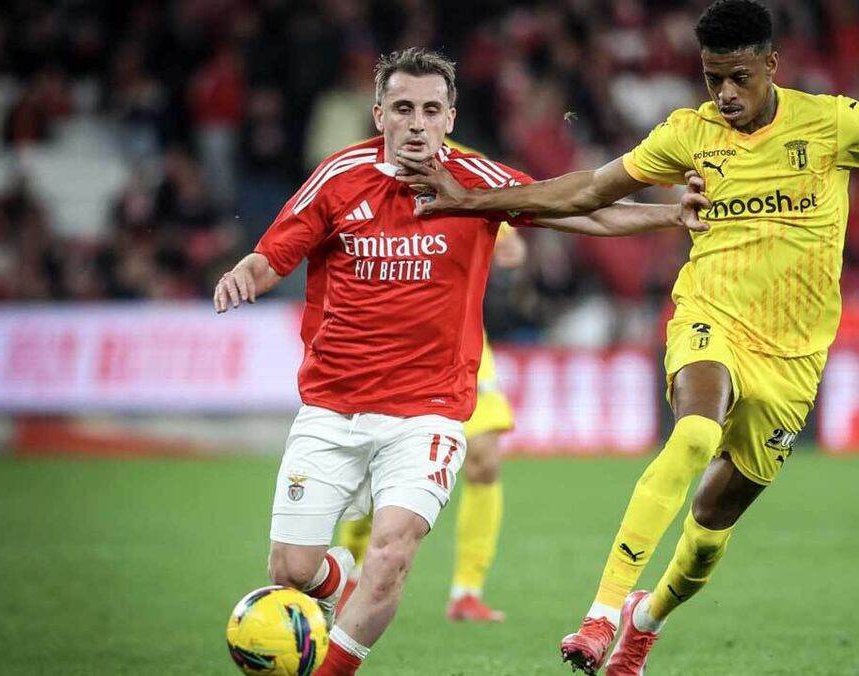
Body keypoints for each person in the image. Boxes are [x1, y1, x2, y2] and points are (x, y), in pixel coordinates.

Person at [391, 2, 859, 674]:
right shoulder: (688, 133)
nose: (724, 93)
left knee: (711, 523)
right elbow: (588, 188)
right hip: (710, 315)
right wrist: (473, 202)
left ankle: (644, 624)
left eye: (737, 77)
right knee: (692, 433)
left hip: (795, 357)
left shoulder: (832, 124)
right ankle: (601, 614)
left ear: (772, 65)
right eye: (712, 78)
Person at [213, 47, 709, 676]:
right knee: (291, 570)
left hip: (428, 412)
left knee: (392, 555)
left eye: (430, 109)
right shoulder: (338, 177)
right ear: (379, 114)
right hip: (332, 407)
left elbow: (582, 211)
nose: (416, 123)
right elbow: (271, 255)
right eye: (402, 108)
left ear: (450, 117)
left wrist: (670, 214)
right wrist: (244, 273)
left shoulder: (476, 181)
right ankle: (334, 578)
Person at [336, 218, 527, 624]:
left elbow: (507, 236)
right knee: (378, 460)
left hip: (460, 338)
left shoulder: (456, 181)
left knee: (485, 460)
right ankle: (350, 571)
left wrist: (510, 242)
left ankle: (467, 592)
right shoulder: (375, 192)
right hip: (394, 340)